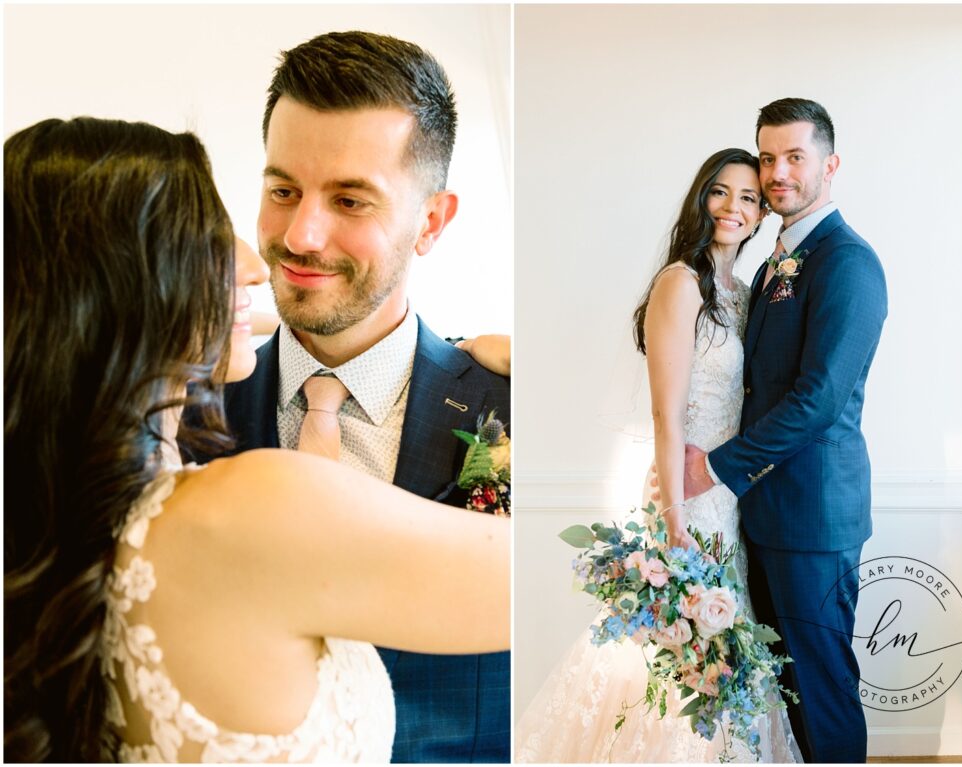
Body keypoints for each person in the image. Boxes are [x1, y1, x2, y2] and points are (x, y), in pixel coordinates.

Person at [3, 116, 510, 763]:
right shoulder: (254, 497)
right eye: (210, 237)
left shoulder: (46, 504)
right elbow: (585, 566)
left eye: (350, 199)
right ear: (128, 286)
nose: (252, 260)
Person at [206, 32, 511, 763]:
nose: (300, 235)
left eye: (349, 199)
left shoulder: (509, 405)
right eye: (283, 191)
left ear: (431, 221)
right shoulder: (182, 408)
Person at [514, 148, 802, 763]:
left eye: (749, 198)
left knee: (725, 649)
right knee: (680, 654)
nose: (734, 207)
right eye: (721, 192)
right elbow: (666, 415)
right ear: (702, 199)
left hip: (730, 495)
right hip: (688, 496)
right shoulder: (681, 282)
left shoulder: (744, 293)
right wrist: (673, 521)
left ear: (760, 214)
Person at [683, 98, 887, 763]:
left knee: (821, 693)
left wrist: (715, 467)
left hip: (812, 519)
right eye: (768, 158)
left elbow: (819, 398)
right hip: (762, 517)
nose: (778, 173)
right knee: (782, 694)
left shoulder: (848, 262)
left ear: (829, 165)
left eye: (795, 157)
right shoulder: (770, 265)